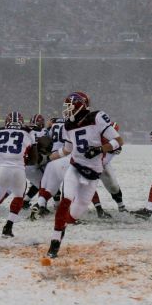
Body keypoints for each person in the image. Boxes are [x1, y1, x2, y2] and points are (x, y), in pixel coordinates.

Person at [46, 92, 122, 259]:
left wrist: (99, 149)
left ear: (80, 105)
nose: (66, 111)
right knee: (65, 202)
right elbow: (67, 150)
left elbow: (118, 141)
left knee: (73, 216)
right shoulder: (67, 125)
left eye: (69, 107)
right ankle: (55, 242)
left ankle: (61, 229)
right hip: (75, 167)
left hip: (93, 174)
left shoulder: (97, 117)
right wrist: (49, 157)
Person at [0, 110, 37, 244]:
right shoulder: (28, 133)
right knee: (19, 197)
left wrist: (1, 162)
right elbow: (34, 159)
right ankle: (8, 226)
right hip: (19, 170)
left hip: (2, 169)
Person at [29, 113, 69, 220]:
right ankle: (61, 207)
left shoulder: (51, 127)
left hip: (50, 158)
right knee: (71, 183)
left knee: (47, 184)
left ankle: (40, 205)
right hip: (66, 157)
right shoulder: (72, 125)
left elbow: (47, 140)